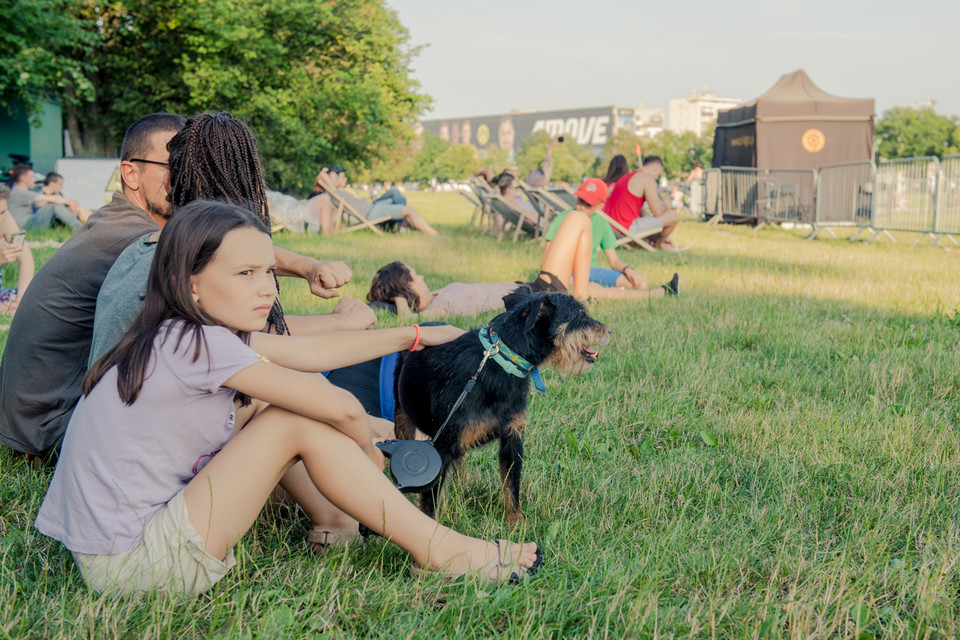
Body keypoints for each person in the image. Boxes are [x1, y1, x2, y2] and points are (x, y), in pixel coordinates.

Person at [34, 200, 543, 594]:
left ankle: (341, 520)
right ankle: (440, 550)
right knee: (291, 417)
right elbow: (339, 405)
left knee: (279, 407)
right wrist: (368, 453)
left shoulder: (179, 331)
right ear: (190, 285)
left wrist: (411, 336)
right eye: (245, 274)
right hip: (137, 566)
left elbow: (317, 350)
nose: (266, 292)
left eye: (267, 273)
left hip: (112, 550)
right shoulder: (200, 342)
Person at [0, 113, 359, 462]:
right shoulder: (135, 240)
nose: (187, 175)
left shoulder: (131, 225)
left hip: (50, 418)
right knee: (265, 393)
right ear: (131, 173)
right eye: (175, 163)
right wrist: (337, 318)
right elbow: (234, 281)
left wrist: (311, 271)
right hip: (53, 428)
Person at [538, 178, 679, 301]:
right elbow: (546, 260)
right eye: (580, 200)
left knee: (639, 284)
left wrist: (628, 270)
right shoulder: (564, 218)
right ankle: (657, 293)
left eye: (588, 204)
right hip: (567, 273)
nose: (582, 207)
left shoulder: (601, 222)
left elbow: (614, 261)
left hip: (592, 271)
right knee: (586, 289)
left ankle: (616, 291)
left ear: (600, 206)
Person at [313, 167, 440, 236]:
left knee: (395, 191)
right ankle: (434, 234)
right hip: (371, 213)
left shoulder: (338, 191)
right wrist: (325, 171)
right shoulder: (333, 193)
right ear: (328, 181)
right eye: (334, 177)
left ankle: (401, 224)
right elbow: (320, 175)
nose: (338, 179)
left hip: (372, 207)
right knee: (408, 210)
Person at [367, 261, 520, 318]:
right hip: (522, 294)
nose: (421, 277)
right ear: (410, 284)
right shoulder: (439, 306)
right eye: (415, 274)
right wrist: (399, 297)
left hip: (513, 286)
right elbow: (407, 319)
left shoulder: (434, 297)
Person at [604, 155, 684, 251]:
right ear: (656, 168)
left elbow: (645, 215)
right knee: (673, 215)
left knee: (654, 221)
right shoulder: (646, 179)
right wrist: (667, 205)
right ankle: (659, 244)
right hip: (624, 229)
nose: (656, 178)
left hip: (611, 227)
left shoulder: (626, 177)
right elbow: (658, 213)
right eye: (658, 175)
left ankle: (661, 241)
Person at [6, 165, 84, 230]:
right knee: (53, 205)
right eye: (32, 177)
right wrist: (70, 202)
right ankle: (80, 228)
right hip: (27, 226)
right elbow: (53, 199)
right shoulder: (20, 192)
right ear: (23, 178)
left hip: (28, 223)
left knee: (52, 208)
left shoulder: (17, 192)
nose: (34, 180)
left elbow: (37, 205)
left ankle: (75, 227)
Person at [0, 184, 35, 313]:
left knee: (42, 295)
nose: (2, 218)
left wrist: (20, 301)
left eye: (3, 211)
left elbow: (25, 259)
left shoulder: (5, 219)